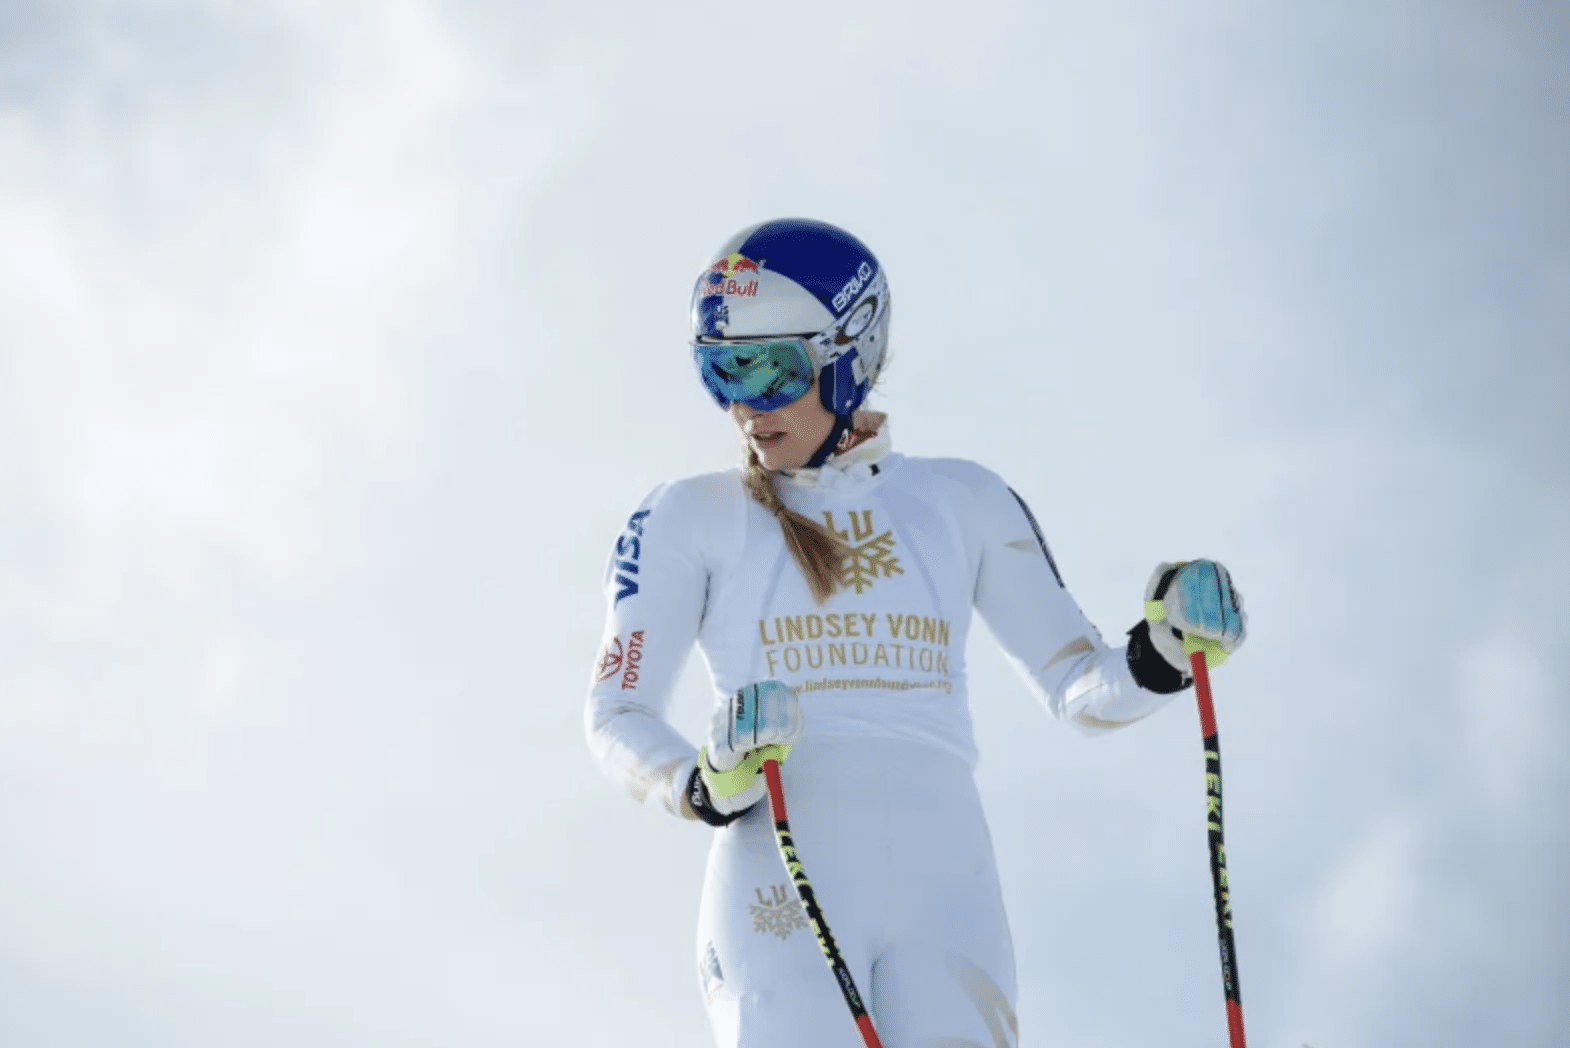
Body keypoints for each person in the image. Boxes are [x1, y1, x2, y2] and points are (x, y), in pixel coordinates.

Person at [584, 217, 1247, 1048]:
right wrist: (705, 782)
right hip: (778, 889)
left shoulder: (962, 500)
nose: (744, 405)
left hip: (945, 894)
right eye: (718, 371)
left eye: (770, 368)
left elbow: (1079, 686)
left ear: (848, 352)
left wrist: (1166, 653)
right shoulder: (690, 513)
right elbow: (617, 712)